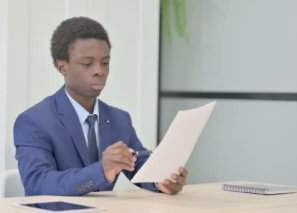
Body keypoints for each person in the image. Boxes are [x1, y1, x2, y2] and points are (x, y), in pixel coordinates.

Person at [14, 16, 188, 196]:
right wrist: (101, 171)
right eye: (87, 63)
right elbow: (39, 184)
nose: (100, 70)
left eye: (105, 62)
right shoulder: (34, 121)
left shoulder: (119, 119)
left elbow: (139, 165)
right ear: (62, 67)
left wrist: (161, 180)